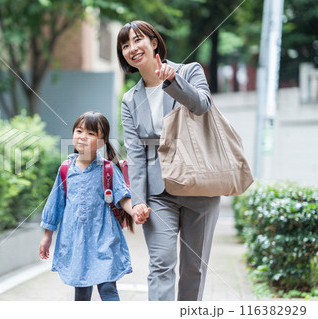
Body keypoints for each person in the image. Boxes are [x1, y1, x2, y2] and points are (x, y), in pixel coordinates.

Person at [116, 20, 221, 301]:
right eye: (125, 45)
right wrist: (137, 199)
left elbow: (202, 106)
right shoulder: (129, 99)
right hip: (158, 192)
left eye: (137, 40)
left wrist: (172, 82)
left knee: (193, 268)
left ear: (153, 42)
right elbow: (135, 152)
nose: (131, 48)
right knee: (161, 264)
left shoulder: (189, 71)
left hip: (199, 184)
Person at [38, 111, 146, 301]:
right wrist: (47, 236)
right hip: (75, 240)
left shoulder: (108, 169)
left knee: (108, 289)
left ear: (102, 142)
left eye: (91, 133)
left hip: (104, 237)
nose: (83, 137)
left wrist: (135, 211)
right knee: (81, 292)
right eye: (79, 131)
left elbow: (122, 198)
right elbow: (55, 204)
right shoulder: (65, 169)